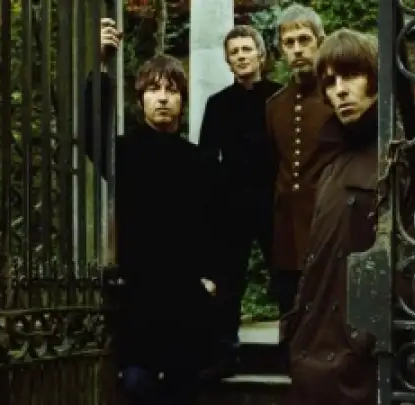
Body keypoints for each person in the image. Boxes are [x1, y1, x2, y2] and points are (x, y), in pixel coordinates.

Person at [280, 29, 415, 405]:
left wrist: (371, 334)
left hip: (372, 362)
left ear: (376, 78)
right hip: (313, 358)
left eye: (350, 76)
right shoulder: (331, 165)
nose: (340, 90)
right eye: (330, 82)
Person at [88, 19, 226, 405]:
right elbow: (90, 128)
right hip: (139, 298)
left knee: (183, 388)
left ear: (182, 100)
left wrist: (212, 279)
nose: (162, 98)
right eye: (153, 90)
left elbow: (220, 226)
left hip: (187, 300)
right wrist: (101, 63)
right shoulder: (124, 154)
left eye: (171, 90)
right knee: (137, 383)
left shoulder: (202, 161)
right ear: (141, 101)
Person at [197, 25, 282, 377]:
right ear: (228, 61)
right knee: (228, 281)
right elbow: (206, 158)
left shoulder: (279, 97)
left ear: (261, 54)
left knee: (285, 277)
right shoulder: (218, 105)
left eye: (247, 49)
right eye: (234, 52)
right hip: (231, 205)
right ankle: (224, 355)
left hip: (273, 202)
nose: (241, 56)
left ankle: (294, 350)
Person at [265, 3, 337, 329]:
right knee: (290, 317)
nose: (297, 49)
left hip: (326, 223)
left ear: (320, 42)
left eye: (304, 40)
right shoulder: (274, 106)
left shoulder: (336, 97)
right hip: (286, 231)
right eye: (289, 43)